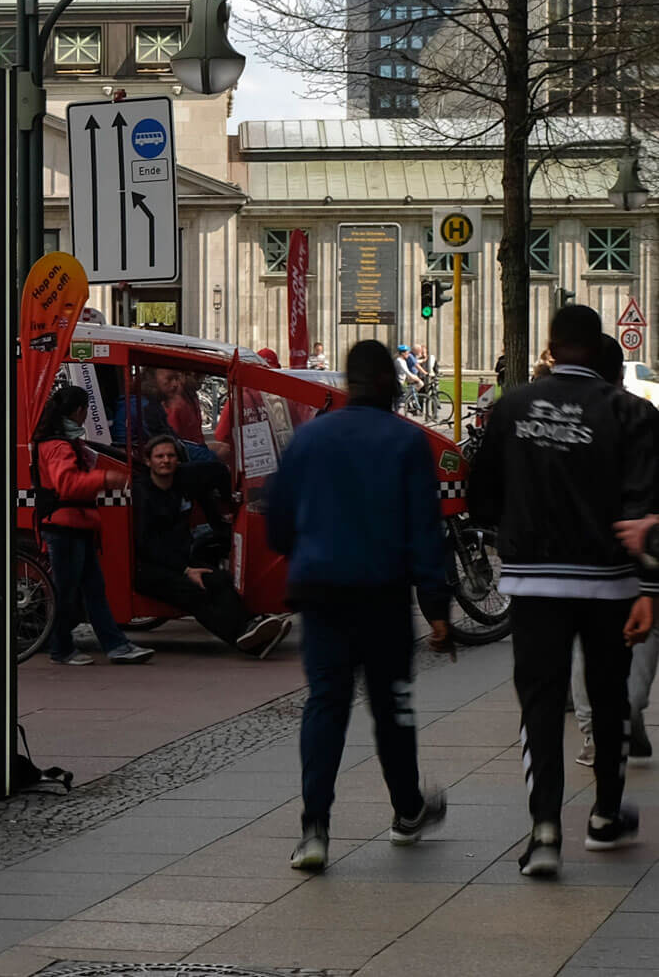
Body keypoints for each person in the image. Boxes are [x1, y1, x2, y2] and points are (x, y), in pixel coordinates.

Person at [468, 306, 656, 878]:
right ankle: (603, 816)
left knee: (542, 701)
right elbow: (646, 506)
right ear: (597, 344)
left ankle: (545, 830)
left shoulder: (513, 408)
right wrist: (648, 587)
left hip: (535, 582)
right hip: (609, 582)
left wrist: (516, 531)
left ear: (549, 347)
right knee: (609, 697)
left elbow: (481, 498)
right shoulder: (632, 412)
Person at [267, 340, 452, 872]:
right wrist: (437, 608)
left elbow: (278, 522)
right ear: (391, 384)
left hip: (321, 593)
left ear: (347, 384)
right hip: (382, 597)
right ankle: (407, 810)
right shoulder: (405, 441)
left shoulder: (309, 438)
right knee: (391, 706)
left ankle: (315, 829)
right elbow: (424, 530)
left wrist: (308, 546)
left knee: (326, 705)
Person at [571, 335, 659, 766]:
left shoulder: (641, 417)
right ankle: (599, 732)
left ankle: (625, 720)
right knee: (594, 650)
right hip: (596, 562)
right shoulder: (565, 418)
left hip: (631, 561)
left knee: (626, 662)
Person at [133, 434, 288, 657]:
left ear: (178, 460)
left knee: (222, 579)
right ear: (149, 461)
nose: (165, 460)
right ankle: (242, 638)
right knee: (196, 593)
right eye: (160, 457)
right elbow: (147, 546)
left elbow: (217, 471)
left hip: (182, 558)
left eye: (170, 456)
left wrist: (225, 511)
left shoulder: (181, 479)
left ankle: (252, 624)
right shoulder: (143, 494)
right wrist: (185, 570)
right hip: (152, 568)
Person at [33, 385, 154, 666]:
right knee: (70, 592)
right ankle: (67, 648)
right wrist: (104, 479)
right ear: (79, 411)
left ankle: (113, 645)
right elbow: (68, 484)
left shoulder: (55, 443)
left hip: (72, 525)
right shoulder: (59, 446)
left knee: (89, 590)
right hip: (66, 526)